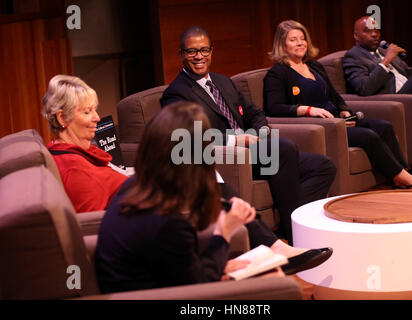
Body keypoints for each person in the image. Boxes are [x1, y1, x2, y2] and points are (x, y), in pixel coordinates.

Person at [95, 101, 332, 293]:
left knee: (263, 274)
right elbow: (196, 286)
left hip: (145, 287)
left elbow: (174, 268)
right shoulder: (167, 220)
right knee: (277, 284)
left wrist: (222, 265)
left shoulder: (135, 186)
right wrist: (224, 231)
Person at [160, 26, 337, 245]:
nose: (199, 56)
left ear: (212, 51)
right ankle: (296, 237)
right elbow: (187, 138)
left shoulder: (223, 81)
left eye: (204, 50)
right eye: (191, 51)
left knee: (323, 166)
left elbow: (254, 113)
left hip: (255, 150)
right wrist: (236, 140)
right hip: (228, 156)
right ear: (181, 54)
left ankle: (286, 224)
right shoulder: (176, 93)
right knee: (283, 148)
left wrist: (261, 132)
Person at [263, 20, 412, 191]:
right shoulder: (278, 74)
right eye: (293, 40)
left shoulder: (313, 66)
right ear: (282, 45)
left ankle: (403, 177)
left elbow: (334, 95)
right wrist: (307, 110)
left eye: (302, 38)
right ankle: (408, 181)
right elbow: (274, 107)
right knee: (368, 136)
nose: (300, 43)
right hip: (325, 126)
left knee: (384, 126)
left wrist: (345, 111)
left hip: (339, 120)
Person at [342, 15, 412, 133]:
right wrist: (386, 62)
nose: (374, 34)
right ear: (356, 36)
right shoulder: (353, 57)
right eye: (368, 31)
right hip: (396, 102)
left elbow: (410, 73)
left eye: (376, 30)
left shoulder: (384, 51)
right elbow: (364, 88)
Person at [42, 75, 127, 213]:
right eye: (87, 112)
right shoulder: (74, 170)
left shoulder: (72, 151)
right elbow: (91, 225)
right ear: (62, 117)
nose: (97, 118)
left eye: (94, 110)